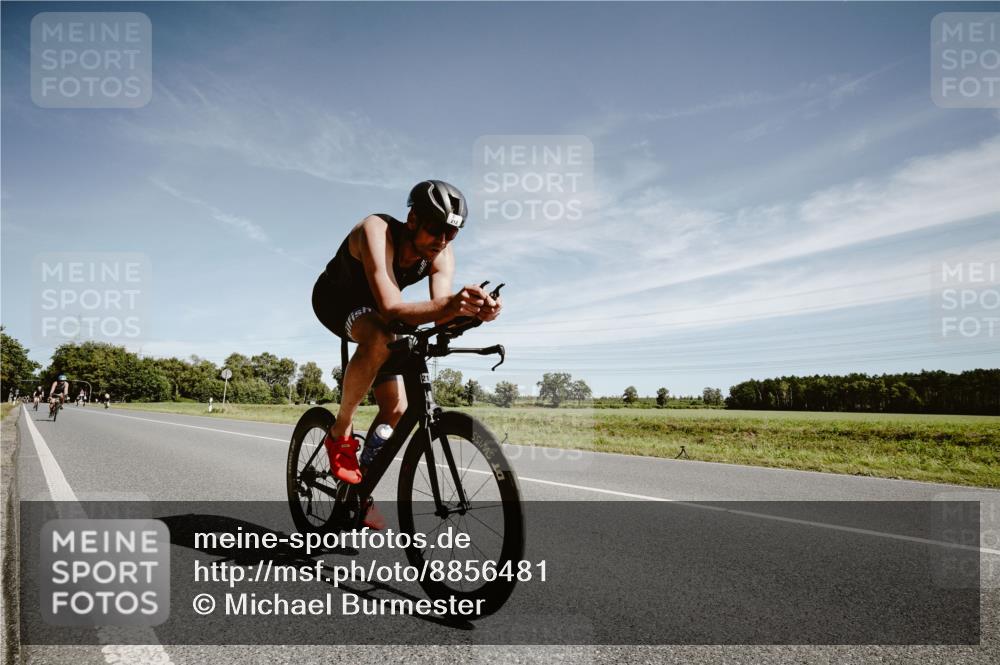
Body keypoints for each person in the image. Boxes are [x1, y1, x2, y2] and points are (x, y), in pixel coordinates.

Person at [312, 180, 501, 524]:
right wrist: (450, 305)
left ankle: (358, 491)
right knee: (382, 333)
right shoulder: (376, 229)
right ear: (413, 219)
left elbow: (438, 311)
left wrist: (475, 315)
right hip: (337, 301)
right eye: (436, 229)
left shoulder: (440, 253)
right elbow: (392, 306)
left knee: (396, 407)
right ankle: (340, 432)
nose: (442, 241)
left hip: (384, 314)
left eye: (452, 234)